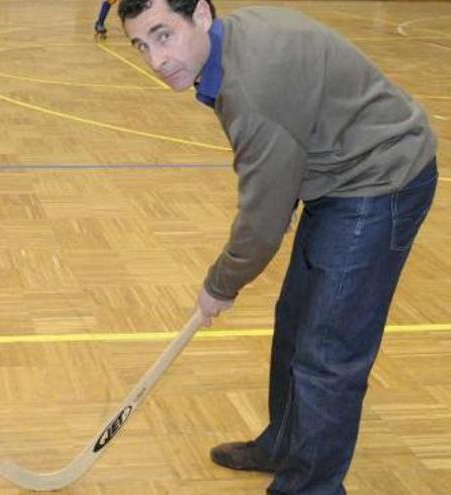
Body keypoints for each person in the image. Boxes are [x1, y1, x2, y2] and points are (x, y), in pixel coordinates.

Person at [119, 1, 437, 494]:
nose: (156, 61)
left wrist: (220, 285)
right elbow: (278, 176)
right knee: (296, 325)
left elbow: (263, 219)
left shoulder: (253, 86)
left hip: (381, 179)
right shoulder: (230, 48)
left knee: (328, 353)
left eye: (164, 36)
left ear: (201, 15)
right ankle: (285, 445)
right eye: (142, 45)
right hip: (334, 175)